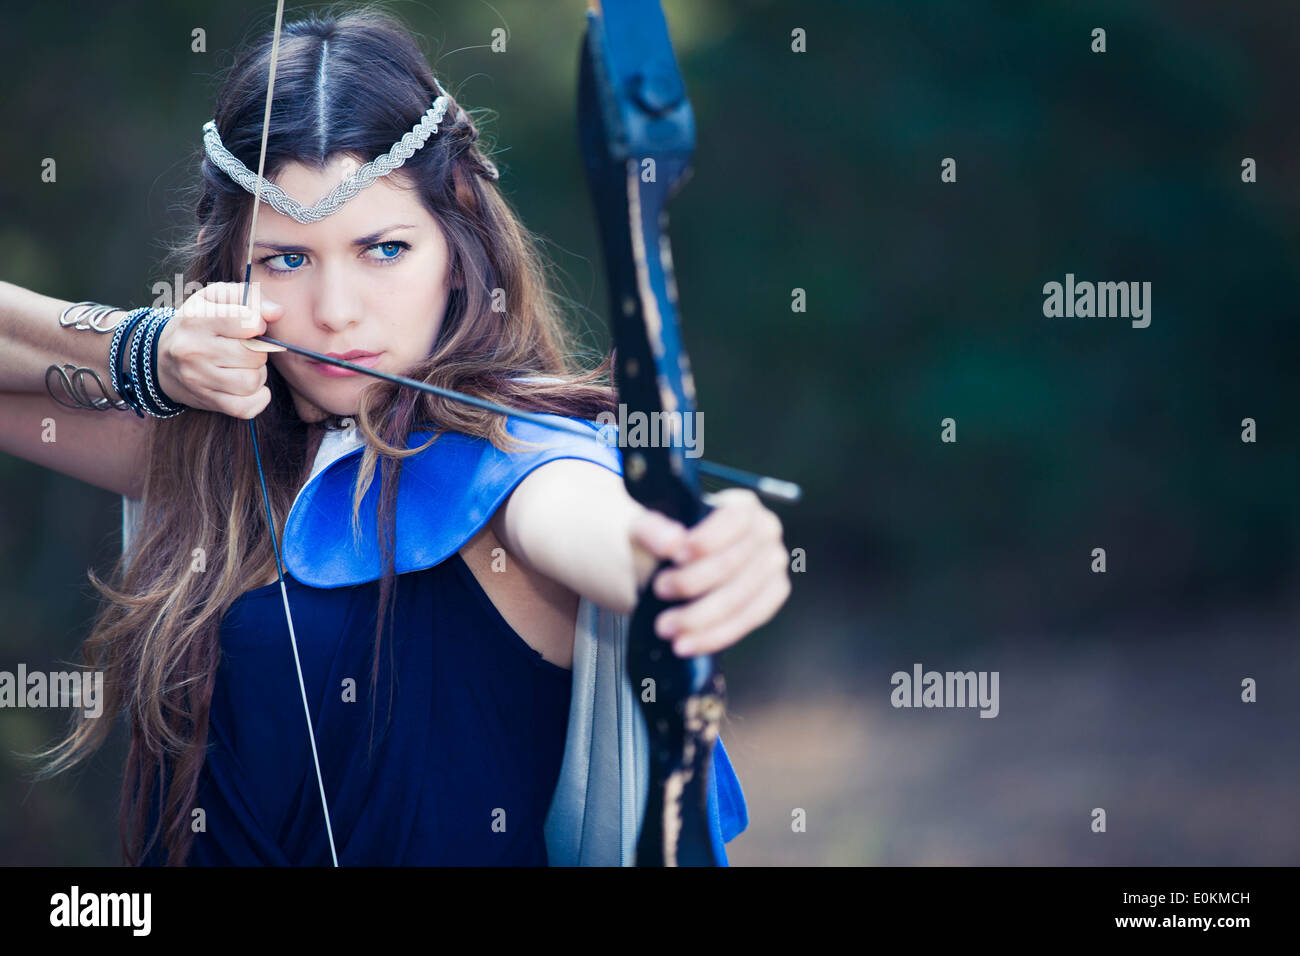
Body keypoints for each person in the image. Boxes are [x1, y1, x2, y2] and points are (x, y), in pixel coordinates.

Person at [0, 8, 790, 865]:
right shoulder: (209, 453)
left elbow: (602, 529)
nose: (336, 314)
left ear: (458, 235)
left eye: (383, 248)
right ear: (230, 268)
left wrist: (688, 552)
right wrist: (142, 352)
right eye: (285, 260)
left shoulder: (519, 464)